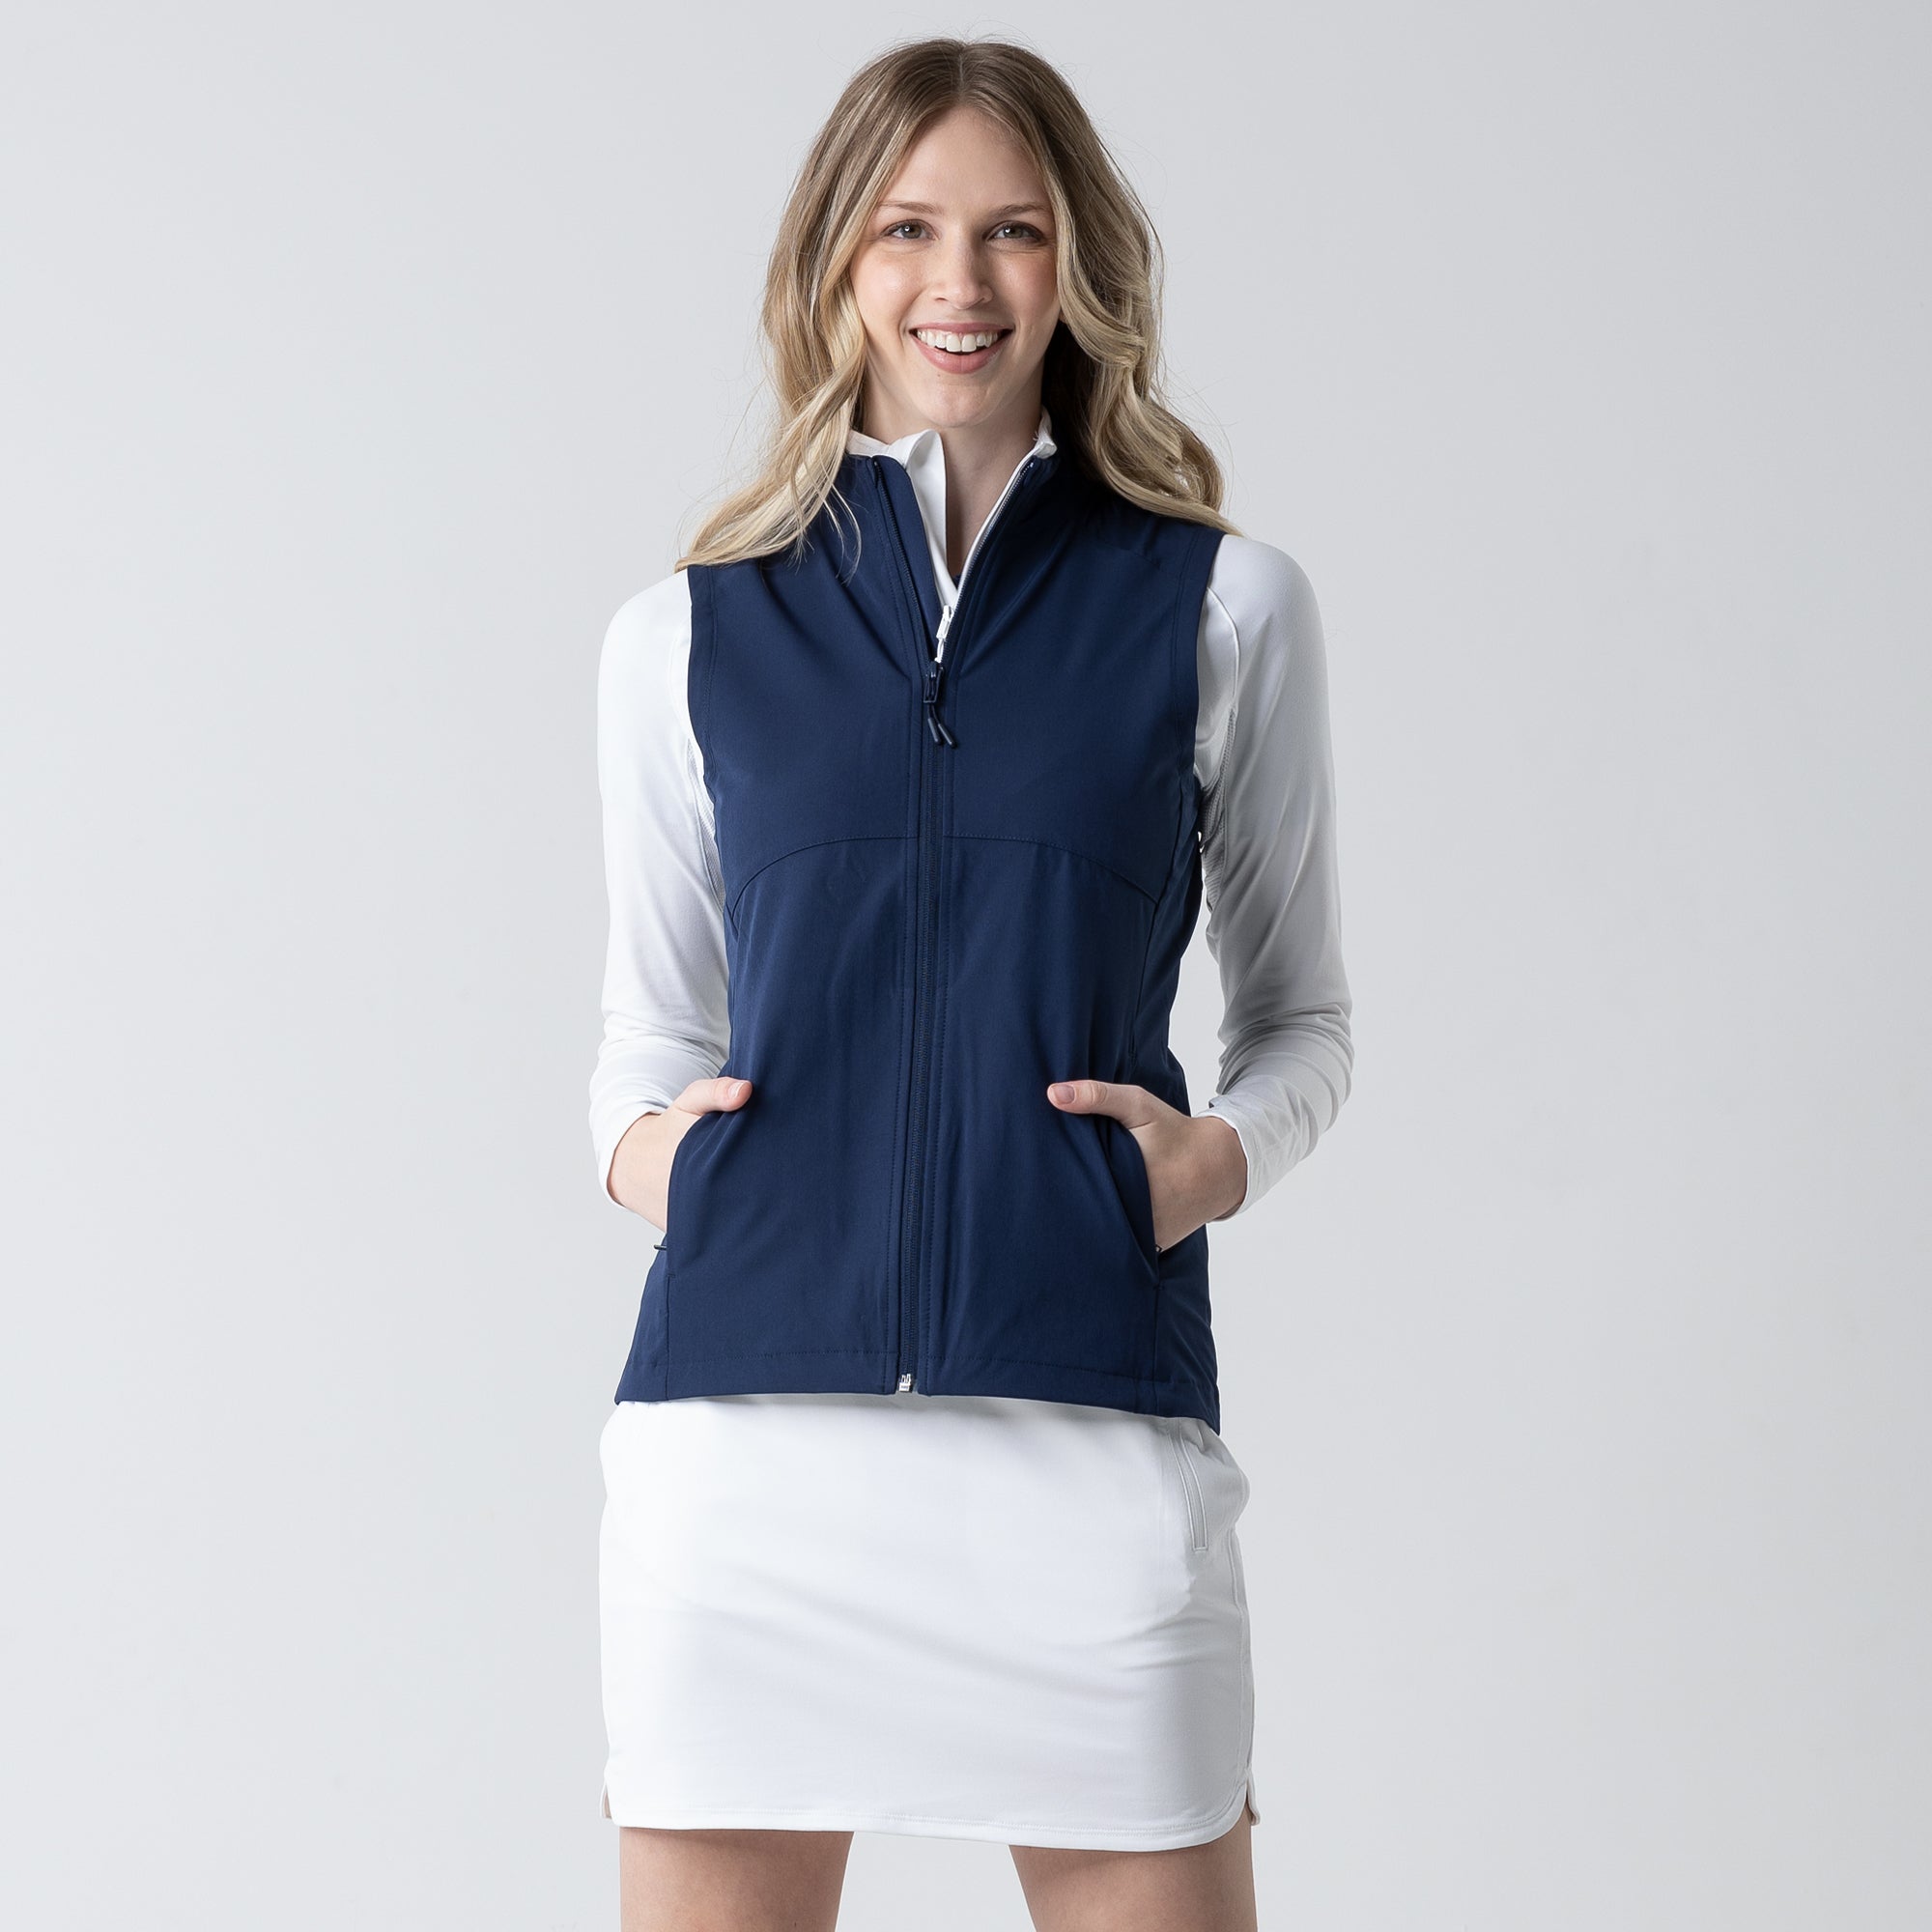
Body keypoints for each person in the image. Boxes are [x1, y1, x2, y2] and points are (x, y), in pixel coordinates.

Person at [588, 35, 1352, 1932]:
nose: (963, 281)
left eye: (1015, 230)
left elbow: (1303, 1022)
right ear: (834, 261)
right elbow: (645, 1029)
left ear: (1079, 263)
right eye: (908, 228)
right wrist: (663, 1165)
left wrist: (1206, 1163)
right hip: (746, 1477)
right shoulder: (687, 634)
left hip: (1091, 1454)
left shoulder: (1220, 606)